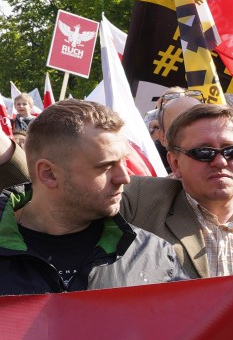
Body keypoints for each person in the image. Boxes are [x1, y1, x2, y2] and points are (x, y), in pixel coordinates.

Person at [0, 103, 233, 288]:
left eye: (231, 151)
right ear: (174, 162)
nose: (220, 161)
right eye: (204, 152)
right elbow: (53, 194)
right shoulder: (142, 203)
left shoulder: (152, 255)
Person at [0, 100, 185, 294]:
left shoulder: (153, 255)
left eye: (124, 161)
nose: (124, 178)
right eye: (105, 166)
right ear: (49, 174)